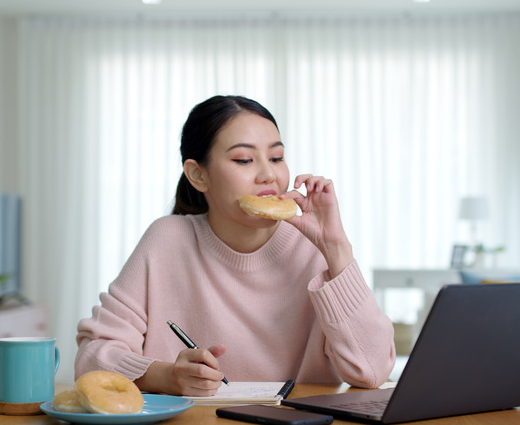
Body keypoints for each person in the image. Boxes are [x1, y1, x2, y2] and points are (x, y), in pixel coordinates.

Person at [75, 95, 395, 396]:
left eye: (276, 157)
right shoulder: (166, 241)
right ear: (199, 176)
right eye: (244, 159)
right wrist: (167, 376)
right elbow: (91, 360)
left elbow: (371, 371)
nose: (268, 175)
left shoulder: (313, 247)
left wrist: (336, 247)